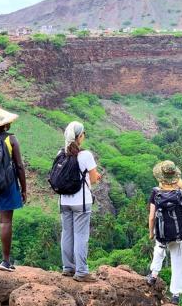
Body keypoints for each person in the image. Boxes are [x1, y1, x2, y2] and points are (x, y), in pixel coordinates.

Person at [60, 121, 101, 282]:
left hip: (63, 201)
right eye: (83, 134)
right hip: (81, 202)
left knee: (67, 234)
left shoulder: (60, 153)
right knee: (81, 235)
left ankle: (68, 268)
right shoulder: (86, 155)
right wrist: (96, 178)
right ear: (80, 137)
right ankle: (82, 271)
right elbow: (93, 179)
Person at [146, 160, 182, 305]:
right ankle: (176, 295)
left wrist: (151, 232)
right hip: (178, 234)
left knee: (159, 250)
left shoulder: (156, 193)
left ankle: (153, 275)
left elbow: (152, 217)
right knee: (179, 261)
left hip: (162, 233)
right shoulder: (180, 193)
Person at [0, 104, 27, 271]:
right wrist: (24, 189)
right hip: (7, 184)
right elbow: (19, 166)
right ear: (6, 123)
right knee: (5, 221)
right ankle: (5, 261)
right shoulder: (11, 139)